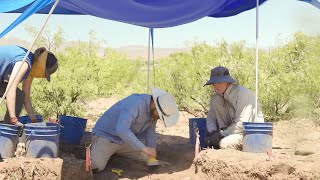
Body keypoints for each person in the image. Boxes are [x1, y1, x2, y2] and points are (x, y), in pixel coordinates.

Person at [90, 87, 179, 173]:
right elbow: (121, 129)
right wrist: (143, 148)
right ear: (155, 105)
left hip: (125, 141)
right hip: (107, 137)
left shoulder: (154, 113)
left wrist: (152, 150)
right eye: (159, 116)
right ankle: (92, 150)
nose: (158, 118)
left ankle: (115, 154)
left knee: (147, 157)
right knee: (96, 166)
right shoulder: (135, 103)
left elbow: (150, 133)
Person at [203, 66, 264, 150]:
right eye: (214, 83)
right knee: (215, 98)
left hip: (250, 134)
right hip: (230, 132)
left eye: (219, 82)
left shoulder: (242, 94)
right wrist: (213, 132)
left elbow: (242, 124)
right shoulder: (218, 96)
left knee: (224, 144)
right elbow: (210, 118)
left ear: (227, 82)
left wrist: (221, 135)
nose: (216, 86)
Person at [0, 45, 58, 126]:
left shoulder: (30, 68)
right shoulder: (24, 63)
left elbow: (26, 97)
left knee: (19, 96)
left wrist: (34, 121)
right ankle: (10, 125)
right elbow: (10, 89)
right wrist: (13, 119)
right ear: (42, 65)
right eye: (45, 73)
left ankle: (7, 130)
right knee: (16, 95)